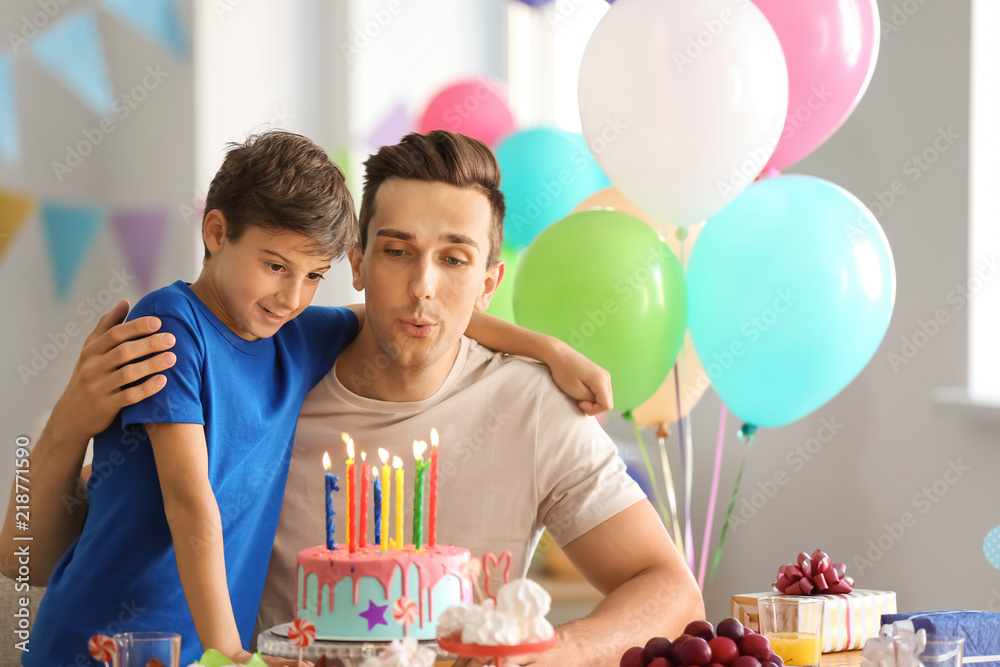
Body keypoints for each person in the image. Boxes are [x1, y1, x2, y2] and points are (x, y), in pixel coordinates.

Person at [4, 131, 703, 667]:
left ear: (488, 280)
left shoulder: (529, 404)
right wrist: (68, 420)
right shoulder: (252, 348)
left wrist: (552, 348)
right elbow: (25, 551)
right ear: (361, 267)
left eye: (454, 258)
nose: (423, 285)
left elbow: (674, 593)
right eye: (397, 251)